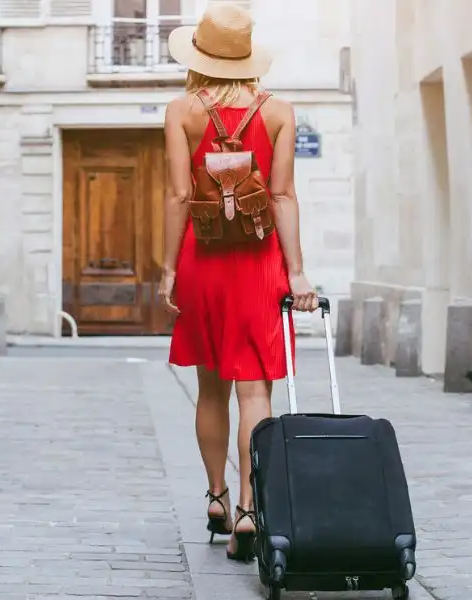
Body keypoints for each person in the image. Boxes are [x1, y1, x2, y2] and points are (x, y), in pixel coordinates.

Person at [158, 3, 319, 563]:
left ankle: (216, 497)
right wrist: (296, 271)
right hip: (259, 265)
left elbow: (179, 195)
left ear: (199, 58)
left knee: (210, 390)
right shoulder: (279, 111)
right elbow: (282, 196)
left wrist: (170, 270)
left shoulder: (181, 110)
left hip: (204, 262)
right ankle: (251, 510)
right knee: (256, 391)